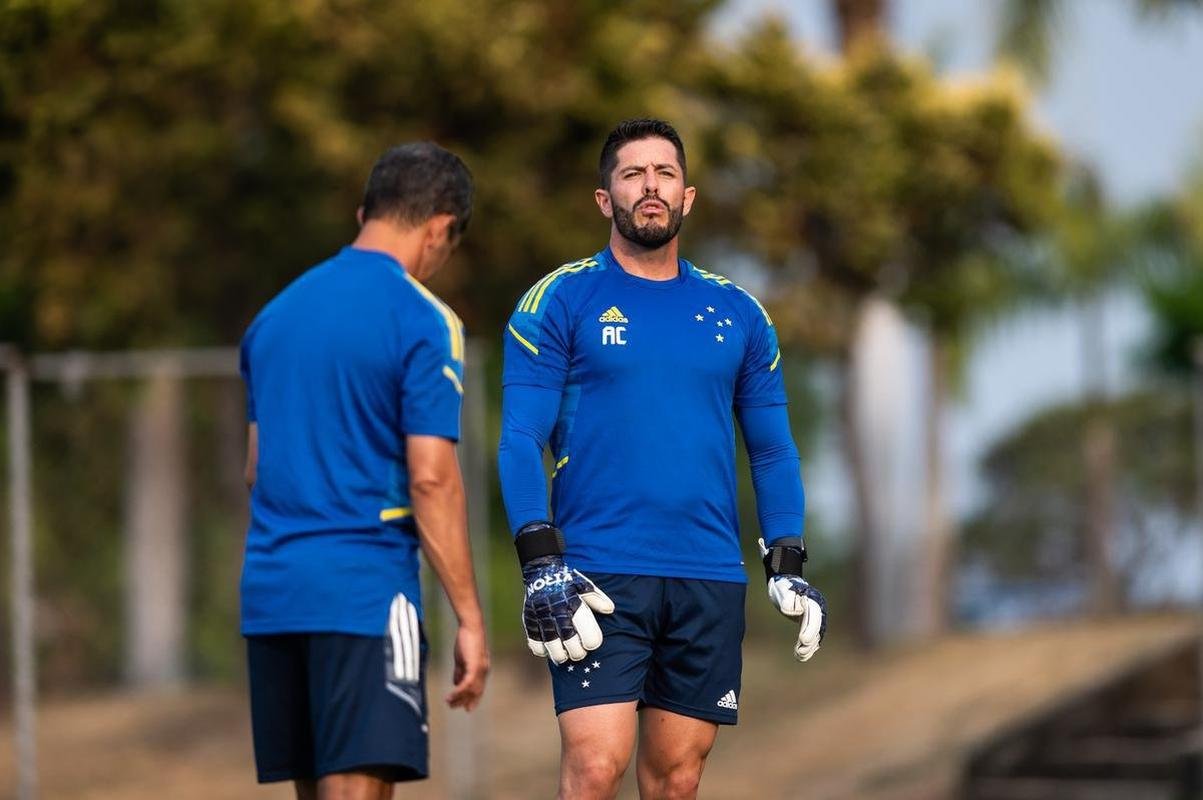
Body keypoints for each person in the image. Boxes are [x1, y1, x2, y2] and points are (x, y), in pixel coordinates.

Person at [497, 118, 827, 800]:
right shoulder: (558, 299)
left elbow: (770, 448)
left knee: (676, 778)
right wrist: (539, 561)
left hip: (705, 572)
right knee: (594, 766)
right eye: (631, 174)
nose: (650, 187)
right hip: (594, 568)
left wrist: (787, 559)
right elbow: (520, 436)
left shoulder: (737, 312)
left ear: (688, 196)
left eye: (664, 174)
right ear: (603, 198)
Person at [239, 142, 489, 800]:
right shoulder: (422, 320)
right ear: (440, 227)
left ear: (364, 214)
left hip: (272, 597)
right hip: (363, 595)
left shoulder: (272, 318)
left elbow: (254, 469)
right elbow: (430, 478)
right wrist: (469, 615)